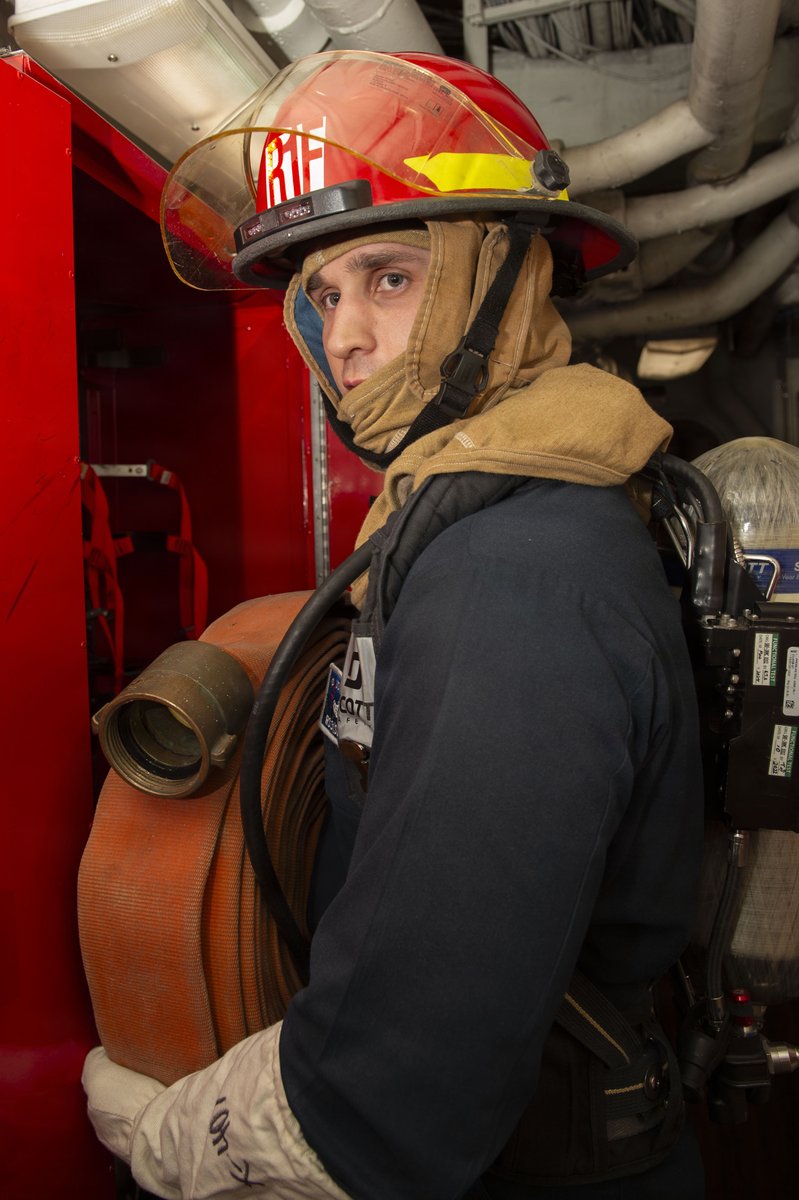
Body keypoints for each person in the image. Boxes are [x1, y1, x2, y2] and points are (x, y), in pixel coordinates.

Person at [82, 50, 705, 1199]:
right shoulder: (498, 503)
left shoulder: (513, 570)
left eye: (390, 277)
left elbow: (401, 1090)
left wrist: (179, 1139)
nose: (348, 336)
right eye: (320, 297)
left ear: (503, 278)